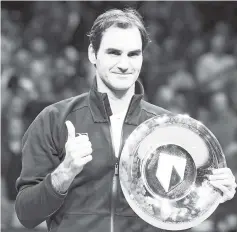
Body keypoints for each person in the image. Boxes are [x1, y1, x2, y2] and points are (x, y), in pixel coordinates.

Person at [15, 8, 236, 232]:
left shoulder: (167, 127)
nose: (124, 64)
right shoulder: (54, 120)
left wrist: (212, 193)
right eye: (113, 52)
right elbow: (26, 214)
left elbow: (179, 215)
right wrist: (64, 173)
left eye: (133, 54)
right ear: (93, 53)